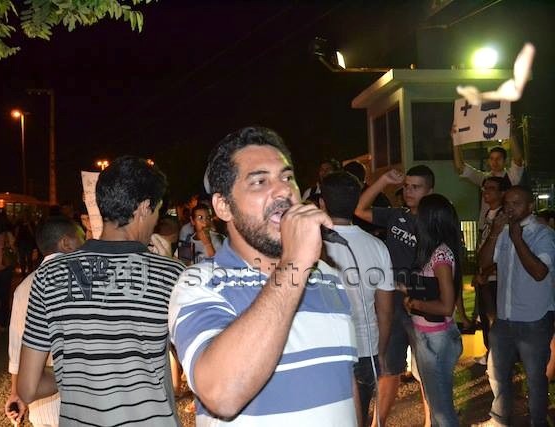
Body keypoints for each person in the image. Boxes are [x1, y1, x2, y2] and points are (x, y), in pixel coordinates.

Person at [169, 127, 359, 426]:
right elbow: (222, 394)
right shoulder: (199, 284)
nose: (283, 191)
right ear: (223, 207)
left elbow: (344, 382)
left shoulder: (328, 277)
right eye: (259, 181)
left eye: (287, 177)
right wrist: (294, 264)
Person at [17, 156, 185, 426]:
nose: (156, 221)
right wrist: (174, 268)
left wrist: (82, 373)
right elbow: (196, 367)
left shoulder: (48, 275)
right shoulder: (171, 274)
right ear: (144, 208)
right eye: (157, 211)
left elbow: (27, 388)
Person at [354, 165, 435, 427]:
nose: (408, 191)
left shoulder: (436, 222)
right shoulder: (396, 215)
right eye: (406, 186)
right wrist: (383, 181)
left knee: (426, 372)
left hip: (422, 305)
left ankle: (430, 422)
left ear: (430, 191)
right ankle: (378, 423)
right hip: (392, 305)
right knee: (388, 369)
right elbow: (359, 209)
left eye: (416, 187)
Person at [319, 170, 394, 426]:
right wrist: (380, 352)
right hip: (365, 350)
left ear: (322, 204)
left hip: (324, 350)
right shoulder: (377, 247)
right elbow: (385, 311)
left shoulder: (311, 246)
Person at [476, 186, 555, 427]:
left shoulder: (543, 234)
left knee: (535, 378)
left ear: (530, 206)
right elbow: (483, 263)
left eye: (516, 203)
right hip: (505, 319)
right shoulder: (502, 232)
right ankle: (500, 418)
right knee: (497, 373)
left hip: (534, 319)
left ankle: (538, 422)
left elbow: (540, 272)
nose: (509, 208)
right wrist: (494, 232)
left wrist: (517, 239)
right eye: (507, 203)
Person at [5, 216, 85, 426]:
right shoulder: (83, 281)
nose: (86, 245)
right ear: (66, 243)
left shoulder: (24, 286)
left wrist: (16, 394)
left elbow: (17, 348)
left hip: (41, 402)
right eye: (82, 238)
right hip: (78, 399)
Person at [401, 194, 463, 426]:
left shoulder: (441, 255)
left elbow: (446, 305)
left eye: (420, 214)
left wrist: (414, 304)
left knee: (442, 411)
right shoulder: (433, 252)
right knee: (437, 406)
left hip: (436, 339)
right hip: (430, 336)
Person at [452, 120, 524, 230]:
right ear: (488, 161)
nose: (495, 162)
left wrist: (511, 134)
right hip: (485, 226)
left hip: (506, 226)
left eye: (499, 158)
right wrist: (456, 141)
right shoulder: (484, 178)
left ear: (505, 160)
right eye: (492, 158)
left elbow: (518, 159)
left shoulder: (511, 177)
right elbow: (460, 167)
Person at [472, 177, 510, 364]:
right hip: (485, 277)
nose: (486, 191)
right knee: (487, 317)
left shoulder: (504, 217)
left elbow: (506, 252)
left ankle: (500, 357)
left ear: (502, 193)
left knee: (495, 319)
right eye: (484, 188)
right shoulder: (488, 214)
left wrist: (486, 272)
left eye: (491, 188)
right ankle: (492, 353)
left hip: (496, 278)